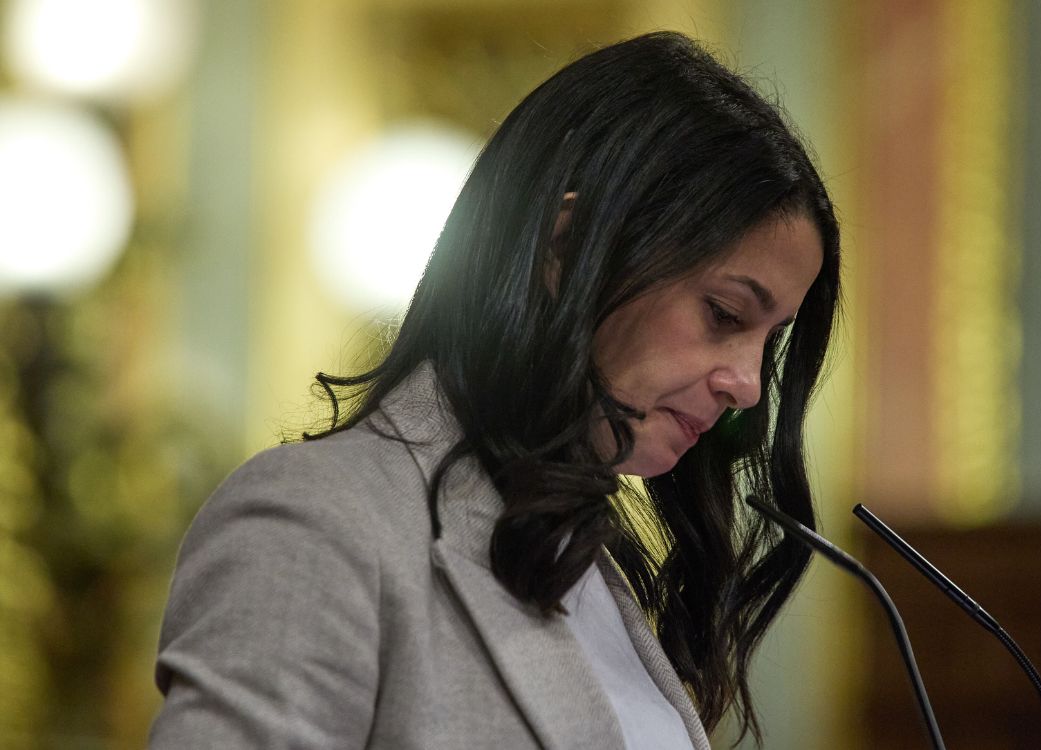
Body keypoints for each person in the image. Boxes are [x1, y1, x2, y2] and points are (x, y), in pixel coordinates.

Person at [149, 31, 842, 749]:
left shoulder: (597, 577)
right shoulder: (319, 518)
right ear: (567, 252)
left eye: (770, 339)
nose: (748, 387)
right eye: (725, 313)